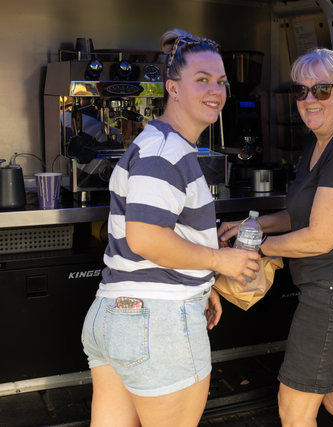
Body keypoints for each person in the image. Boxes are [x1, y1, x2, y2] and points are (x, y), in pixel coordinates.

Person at [81, 29, 261, 427]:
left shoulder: (159, 143)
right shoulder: (166, 151)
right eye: (202, 79)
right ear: (172, 88)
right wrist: (220, 261)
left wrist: (204, 285)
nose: (215, 90)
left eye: (221, 81)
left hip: (113, 315)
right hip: (157, 322)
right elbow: (146, 237)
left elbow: (165, 235)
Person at [218, 48, 333, 427]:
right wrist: (253, 226)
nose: (309, 100)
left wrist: (255, 248)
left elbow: (320, 237)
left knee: (293, 410)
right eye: (300, 91)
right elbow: (304, 214)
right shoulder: (320, 141)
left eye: (322, 90)